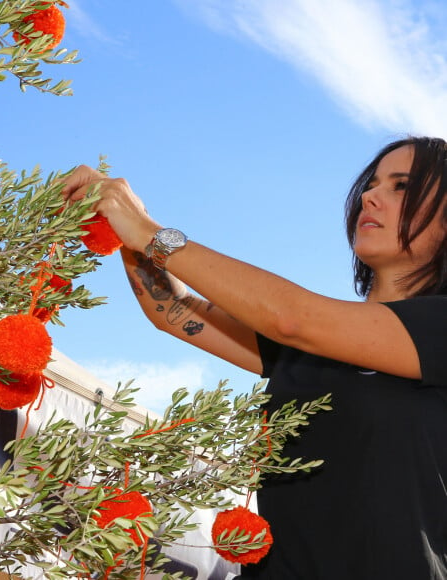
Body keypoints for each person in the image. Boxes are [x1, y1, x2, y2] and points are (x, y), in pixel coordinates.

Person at [61, 136, 447, 580]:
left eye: (401, 186)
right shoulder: (314, 344)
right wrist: (123, 225)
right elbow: (172, 310)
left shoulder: (433, 327)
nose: (369, 195)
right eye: (372, 182)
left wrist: (147, 230)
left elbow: (292, 318)